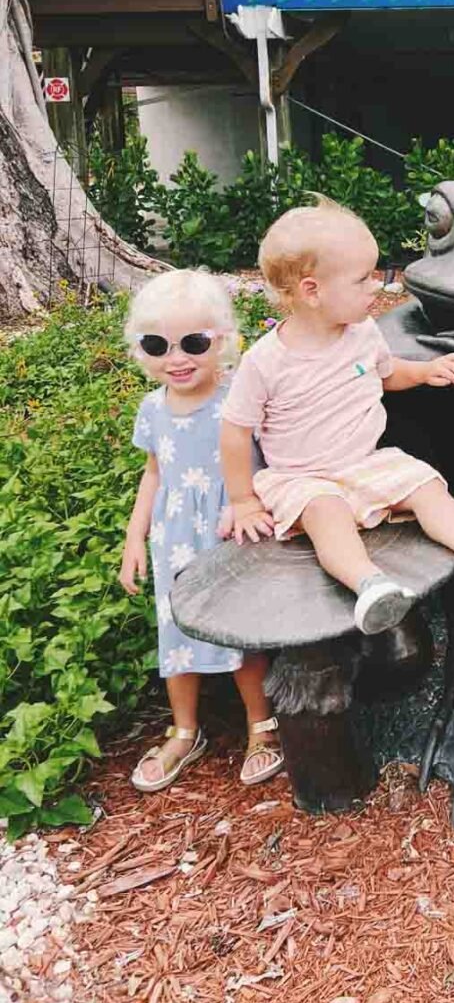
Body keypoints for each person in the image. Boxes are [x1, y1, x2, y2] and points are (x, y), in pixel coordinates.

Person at [219, 197, 454, 634]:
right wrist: (242, 500)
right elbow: (235, 430)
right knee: (327, 514)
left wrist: (426, 371)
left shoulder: (363, 333)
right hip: (302, 477)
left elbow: (386, 374)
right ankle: (369, 585)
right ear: (312, 291)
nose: (377, 287)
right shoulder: (266, 361)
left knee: (427, 485)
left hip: (365, 463)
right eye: (362, 280)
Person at [120, 270, 284, 793]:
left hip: (230, 530)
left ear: (222, 341)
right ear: (140, 350)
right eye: (157, 345)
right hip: (173, 538)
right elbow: (153, 474)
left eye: (194, 342)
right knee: (177, 632)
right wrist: (133, 540)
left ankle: (262, 724)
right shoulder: (153, 408)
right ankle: (185, 730)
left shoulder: (237, 397)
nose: (177, 358)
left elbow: (273, 453)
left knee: (240, 628)